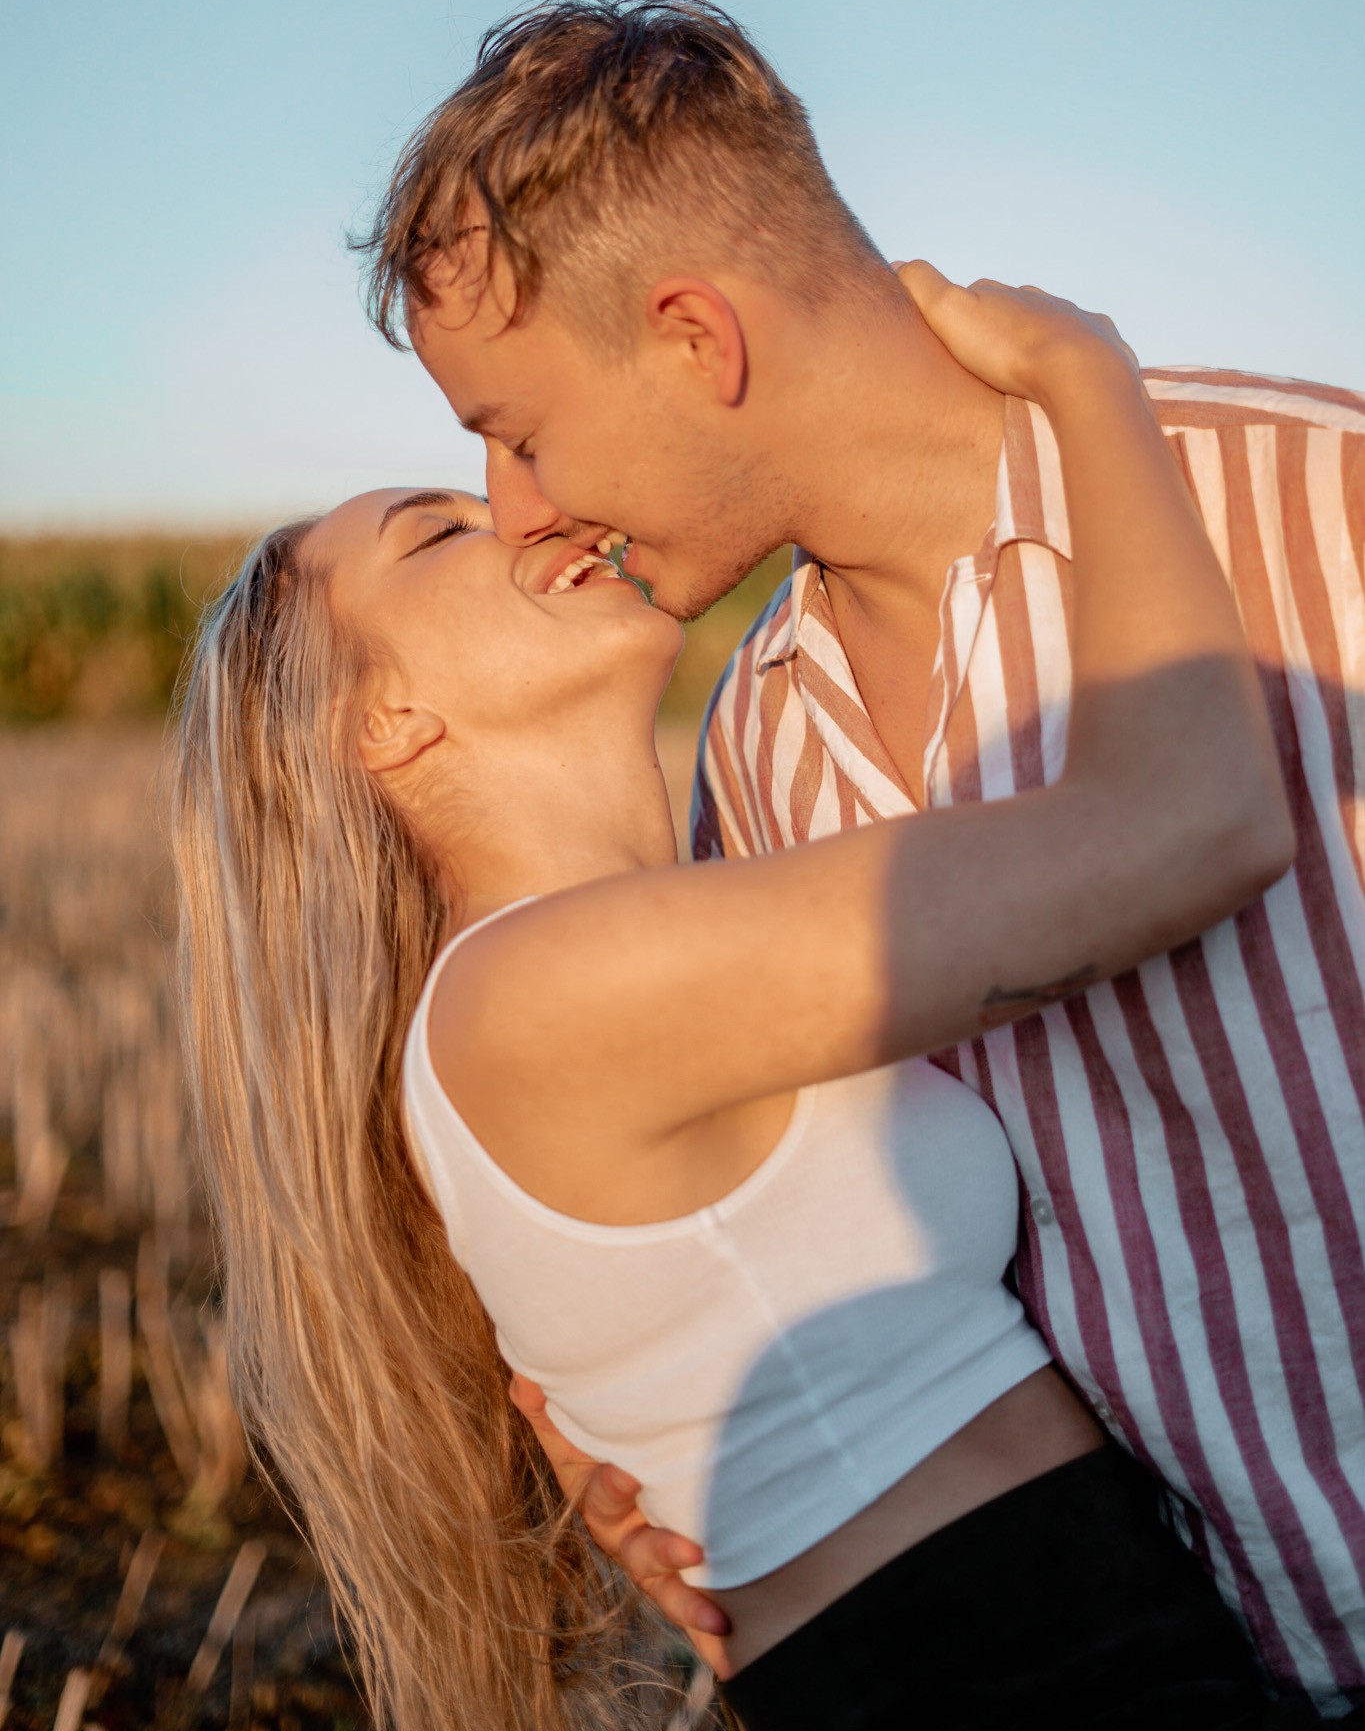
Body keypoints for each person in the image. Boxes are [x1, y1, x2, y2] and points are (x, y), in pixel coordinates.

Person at [358, 0, 1365, 1720]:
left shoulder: (1317, 508)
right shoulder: (747, 750)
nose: (519, 508)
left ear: (695, 336)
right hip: (1205, 1653)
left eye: (517, 432)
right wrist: (659, 1472)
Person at [169, 267, 1295, 1731]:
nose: (528, 514)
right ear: (382, 720)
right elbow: (1184, 826)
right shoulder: (538, 989)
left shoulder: (647, 921)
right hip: (1014, 1674)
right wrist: (1085, 377)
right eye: (437, 531)